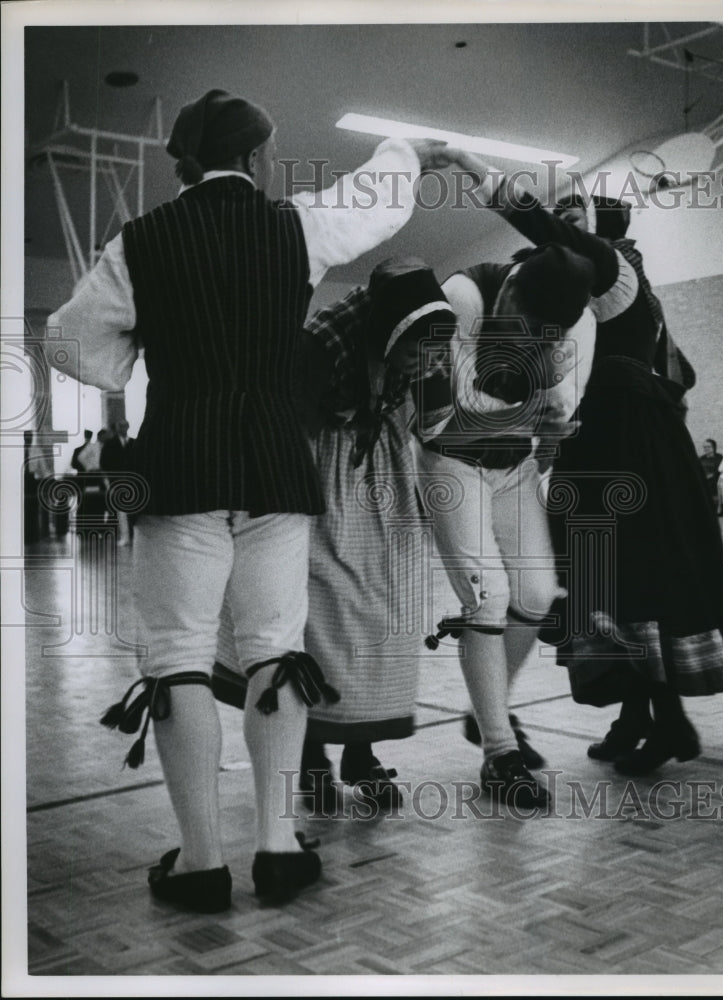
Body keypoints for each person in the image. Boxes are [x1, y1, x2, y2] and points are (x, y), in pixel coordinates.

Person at [45, 87, 457, 913]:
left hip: (183, 465)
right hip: (277, 465)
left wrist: (130, 362)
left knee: (179, 656)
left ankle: (200, 863)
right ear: (260, 158)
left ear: (186, 163)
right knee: (275, 648)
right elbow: (372, 204)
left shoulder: (139, 242)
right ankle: (276, 848)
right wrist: (412, 151)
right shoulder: (295, 225)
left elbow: (67, 339)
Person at [443, 151, 723, 776]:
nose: (565, 232)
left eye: (574, 223)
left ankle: (668, 720)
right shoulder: (636, 288)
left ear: (596, 232)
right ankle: (636, 715)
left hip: (621, 441)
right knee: (602, 580)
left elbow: (540, 229)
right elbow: (684, 373)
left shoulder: (609, 270)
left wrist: (472, 169)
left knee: (623, 575)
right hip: (622, 437)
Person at [213, 258, 457, 813]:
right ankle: (313, 754)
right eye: (422, 352)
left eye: (438, 351)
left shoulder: (428, 333)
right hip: (317, 468)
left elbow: (438, 425)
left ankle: (362, 751)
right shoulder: (320, 346)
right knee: (323, 615)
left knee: (383, 614)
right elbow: (286, 433)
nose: (432, 361)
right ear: (390, 334)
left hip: (382, 472)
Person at [412, 241, 597, 811]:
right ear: (511, 289)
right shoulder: (465, 295)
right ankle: (499, 751)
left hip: (512, 464)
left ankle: (484, 708)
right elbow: (440, 411)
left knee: (540, 594)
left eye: (547, 332)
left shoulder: (581, 320)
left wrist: (554, 420)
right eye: (526, 325)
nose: (532, 339)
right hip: (450, 461)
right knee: (487, 600)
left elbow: (562, 412)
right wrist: (533, 409)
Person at [100, 419, 136, 544]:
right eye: (120, 426)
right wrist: (110, 483)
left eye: (125, 425)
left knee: (133, 509)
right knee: (121, 510)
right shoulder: (109, 444)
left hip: (133, 481)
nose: (123, 428)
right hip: (117, 481)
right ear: (116, 428)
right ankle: (125, 536)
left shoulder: (133, 443)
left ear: (128, 427)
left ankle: (134, 535)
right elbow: (104, 464)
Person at [698, 438, 723, 504]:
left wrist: (710, 476)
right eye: (705, 447)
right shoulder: (702, 458)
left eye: (708, 447)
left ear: (714, 447)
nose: (706, 448)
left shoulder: (719, 457)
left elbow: (720, 470)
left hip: (713, 480)